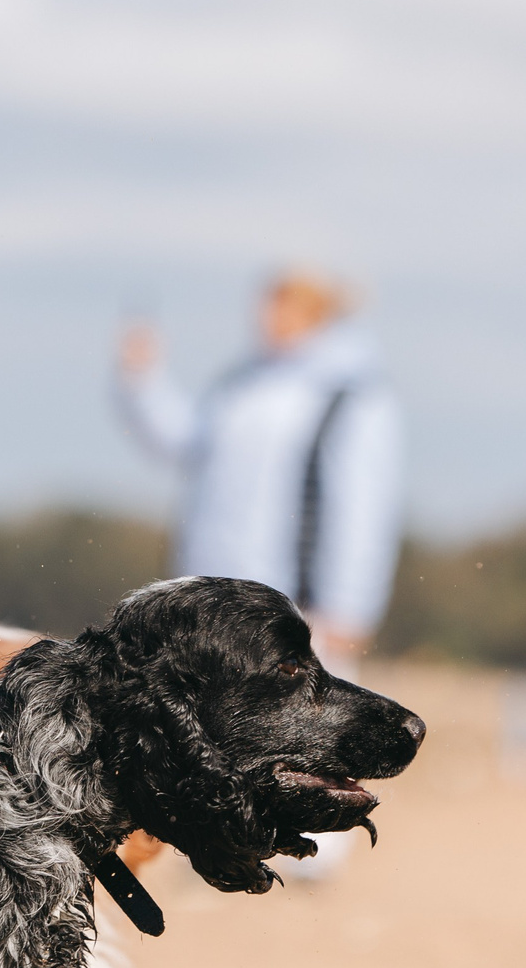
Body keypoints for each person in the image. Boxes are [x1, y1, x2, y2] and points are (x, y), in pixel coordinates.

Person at [111, 268, 406, 880]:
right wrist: (141, 381)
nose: (266, 319)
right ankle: (224, 844)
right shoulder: (241, 385)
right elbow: (185, 441)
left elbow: (362, 503)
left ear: (316, 311)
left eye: (281, 307)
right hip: (216, 586)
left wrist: (350, 599)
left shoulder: (351, 395)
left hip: (299, 593)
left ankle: (316, 860)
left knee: (319, 716)